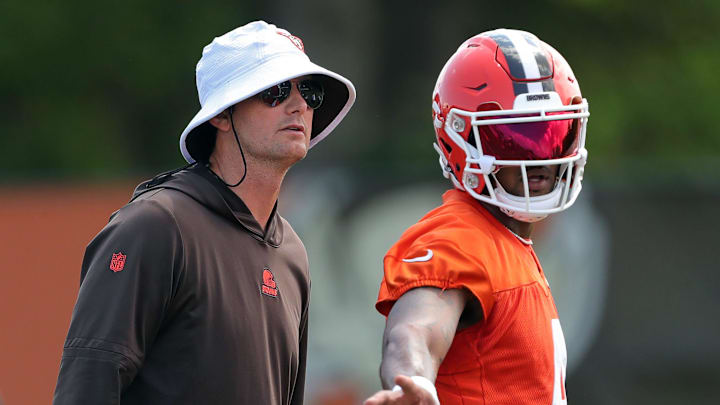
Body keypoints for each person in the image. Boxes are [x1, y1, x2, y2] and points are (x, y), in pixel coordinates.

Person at [53, 20, 355, 404]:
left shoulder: (293, 254)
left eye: (308, 91)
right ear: (221, 115)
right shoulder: (154, 225)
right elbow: (86, 387)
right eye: (275, 91)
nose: (298, 105)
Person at [364, 28, 589, 405]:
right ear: (460, 140)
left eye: (553, 133)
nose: (540, 157)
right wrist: (411, 381)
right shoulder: (458, 237)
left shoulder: (510, 239)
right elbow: (414, 329)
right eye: (515, 137)